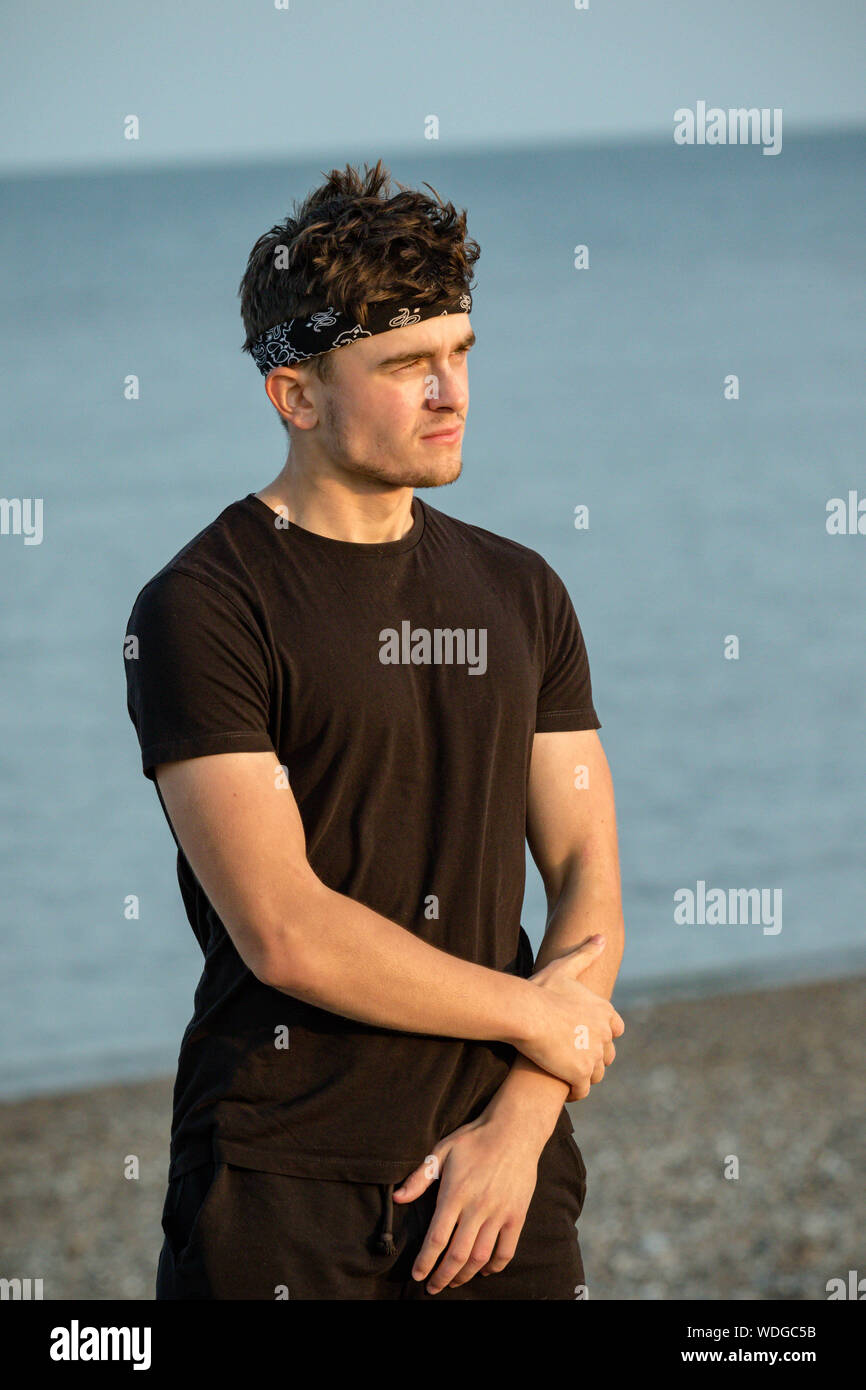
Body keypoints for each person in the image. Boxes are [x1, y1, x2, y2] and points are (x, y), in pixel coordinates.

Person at [123, 159, 625, 1301]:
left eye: (459, 354)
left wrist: (521, 1118)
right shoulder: (203, 606)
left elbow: (588, 871)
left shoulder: (520, 588)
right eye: (406, 364)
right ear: (293, 395)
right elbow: (285, 930)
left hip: (503, 1173)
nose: (450, 391)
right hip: (280, 1177)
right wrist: (542, 1021)